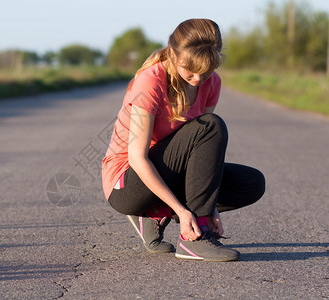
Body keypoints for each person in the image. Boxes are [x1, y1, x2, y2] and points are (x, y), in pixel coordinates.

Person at [101, 19, 265, 262]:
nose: (198, 77)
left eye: (206, 69)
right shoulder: (151, 81)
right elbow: (137, 158)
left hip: (171, 172)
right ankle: (194, 239)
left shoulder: (211, 82)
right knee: (211, 125)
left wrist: (208, 207)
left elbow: (203, 151)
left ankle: (157, 212)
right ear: (173, 54)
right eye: (190, 68)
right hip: (127, 181)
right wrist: (184, 210)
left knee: (252, 183)